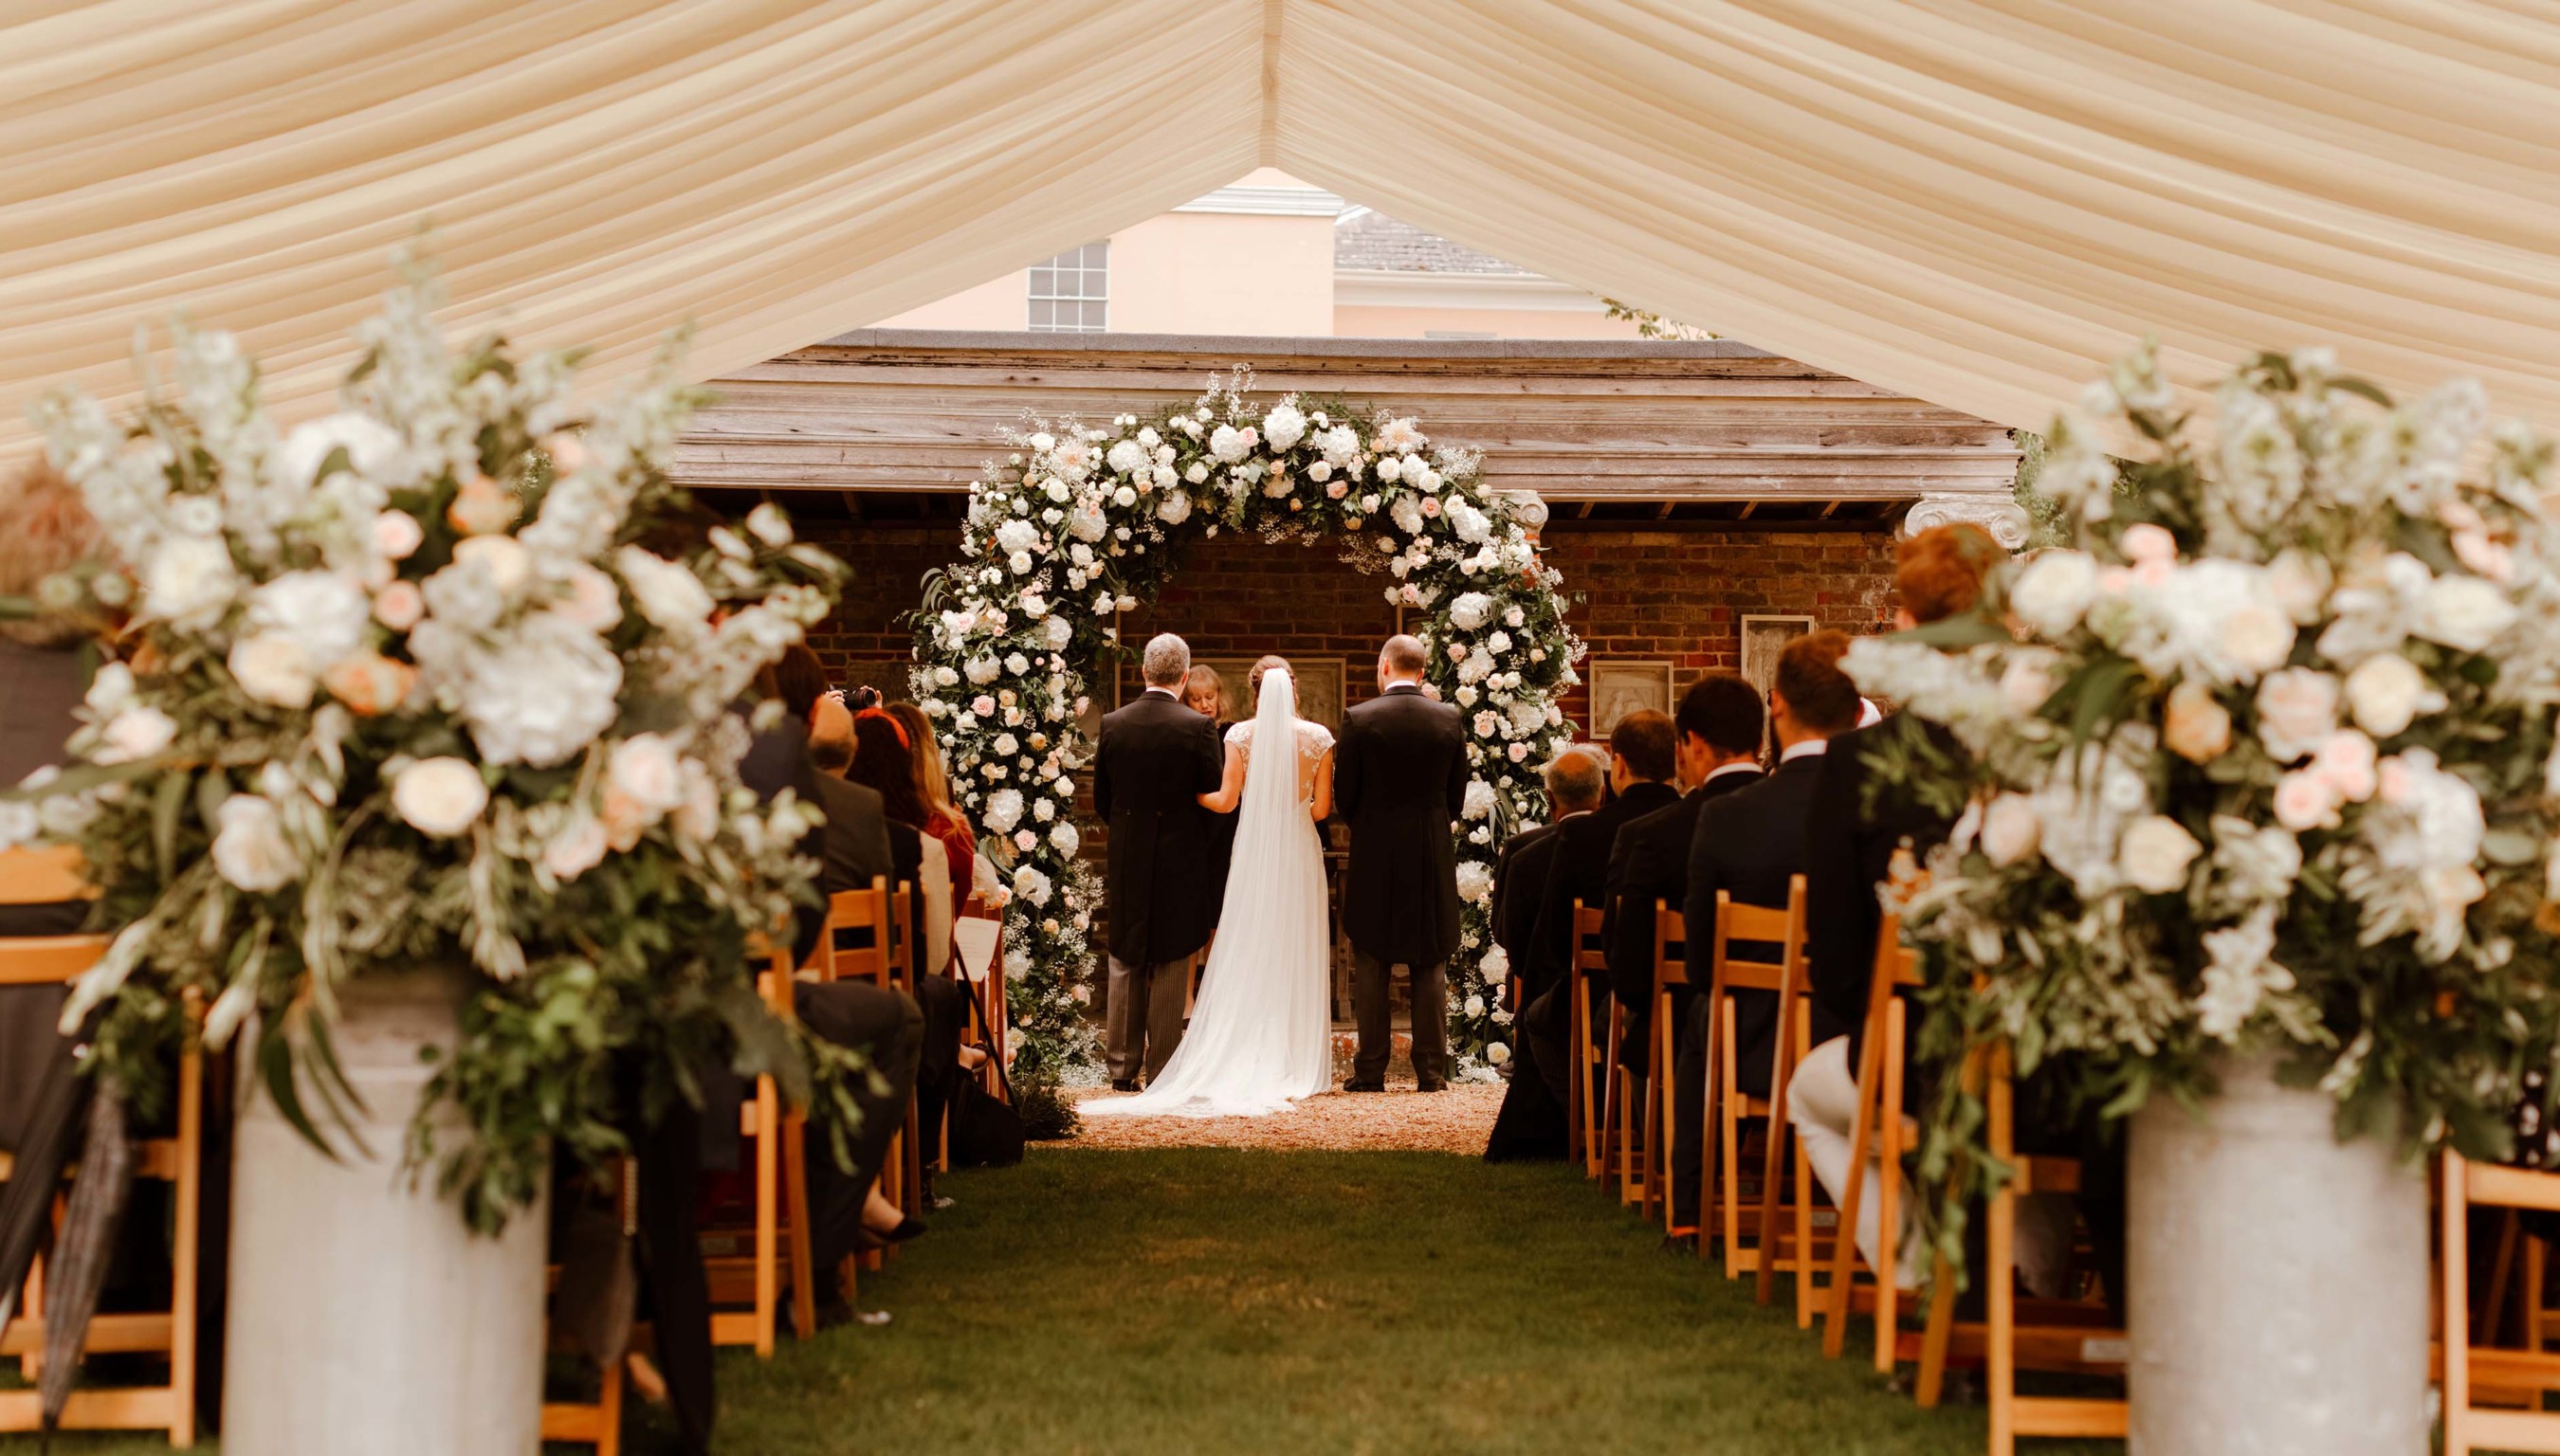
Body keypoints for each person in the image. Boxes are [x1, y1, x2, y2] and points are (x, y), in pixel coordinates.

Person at [1085, 657, 1332, 1118]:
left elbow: (1223, 801)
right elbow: (1320, 812)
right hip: (1299, 851)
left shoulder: (1238, 736)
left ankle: (1136, 1065)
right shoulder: (1318, 738)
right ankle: (1295, 1057)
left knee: (1244, 942)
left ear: (1255, 693)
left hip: (1254, 850)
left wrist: (1185, 799)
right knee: (1295, 944)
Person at [1681, 633, 1858, 1163]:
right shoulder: (1888, 804)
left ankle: (1690, 1209)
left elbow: (1700, 964)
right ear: (1854, 711)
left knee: (1698, 1015)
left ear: (1776, 703)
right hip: (1869, 1046)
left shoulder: (1728, 815)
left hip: (1756, 1048)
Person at [1602, 674, 1766, 1232]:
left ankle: (1685, 1193)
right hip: (1802, 1024)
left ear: (1692, 744)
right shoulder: (1808, 820)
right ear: (1760, 741)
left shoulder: (1657, 833)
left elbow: (1628, 965)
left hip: (1691, 1028)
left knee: (1659, 1019)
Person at [1333, 634, 1468, 1092]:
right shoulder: (1449, 718)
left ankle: (1370, 1071)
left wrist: (1371, 824)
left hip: (1375, 850)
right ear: (1423, 671)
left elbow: (1344, 796)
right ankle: (1431, 1072)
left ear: (1385, 667)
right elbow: (1456, 797)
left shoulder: (1360, 718)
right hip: (1430, 849)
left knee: (1371, 956)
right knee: (1429, 958)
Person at [1091, 633, 1226, 1091]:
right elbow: (1210, 795)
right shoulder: (1198, 728)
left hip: (1128, 849)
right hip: (1181, 852)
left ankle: (1122, 1067)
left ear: (1144, 672)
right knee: (1172, 953)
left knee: (1126, 953)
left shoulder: (1113, 723)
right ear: (1184, 676)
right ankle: (1164, 1068)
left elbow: (1102, 800)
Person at [1483, 746, 1606, 1160]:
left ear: (1550, 800)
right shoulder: (1624, 841)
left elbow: (1506, 933)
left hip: (1545, 996)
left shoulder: (1524, 851)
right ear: (1603, 794)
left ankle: (1575, 1123)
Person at [1525, 711, 1682, 1018]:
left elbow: (1555, 934)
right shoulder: (1695, 820)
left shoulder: (1583, 832)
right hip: (1686, 995)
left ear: (1618, 766)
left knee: (1537, 1021)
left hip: (1601, 994)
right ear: (1677, 759)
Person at [1182, 664, 1238, 922]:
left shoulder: (1233, 733)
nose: (1205, 704)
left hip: (1229, 826)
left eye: (1210, 696)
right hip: (1195, 826)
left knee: (1221, 908)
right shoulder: (1184, 732)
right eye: (1196, 698)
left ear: (1219, 695)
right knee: (1194, 911)